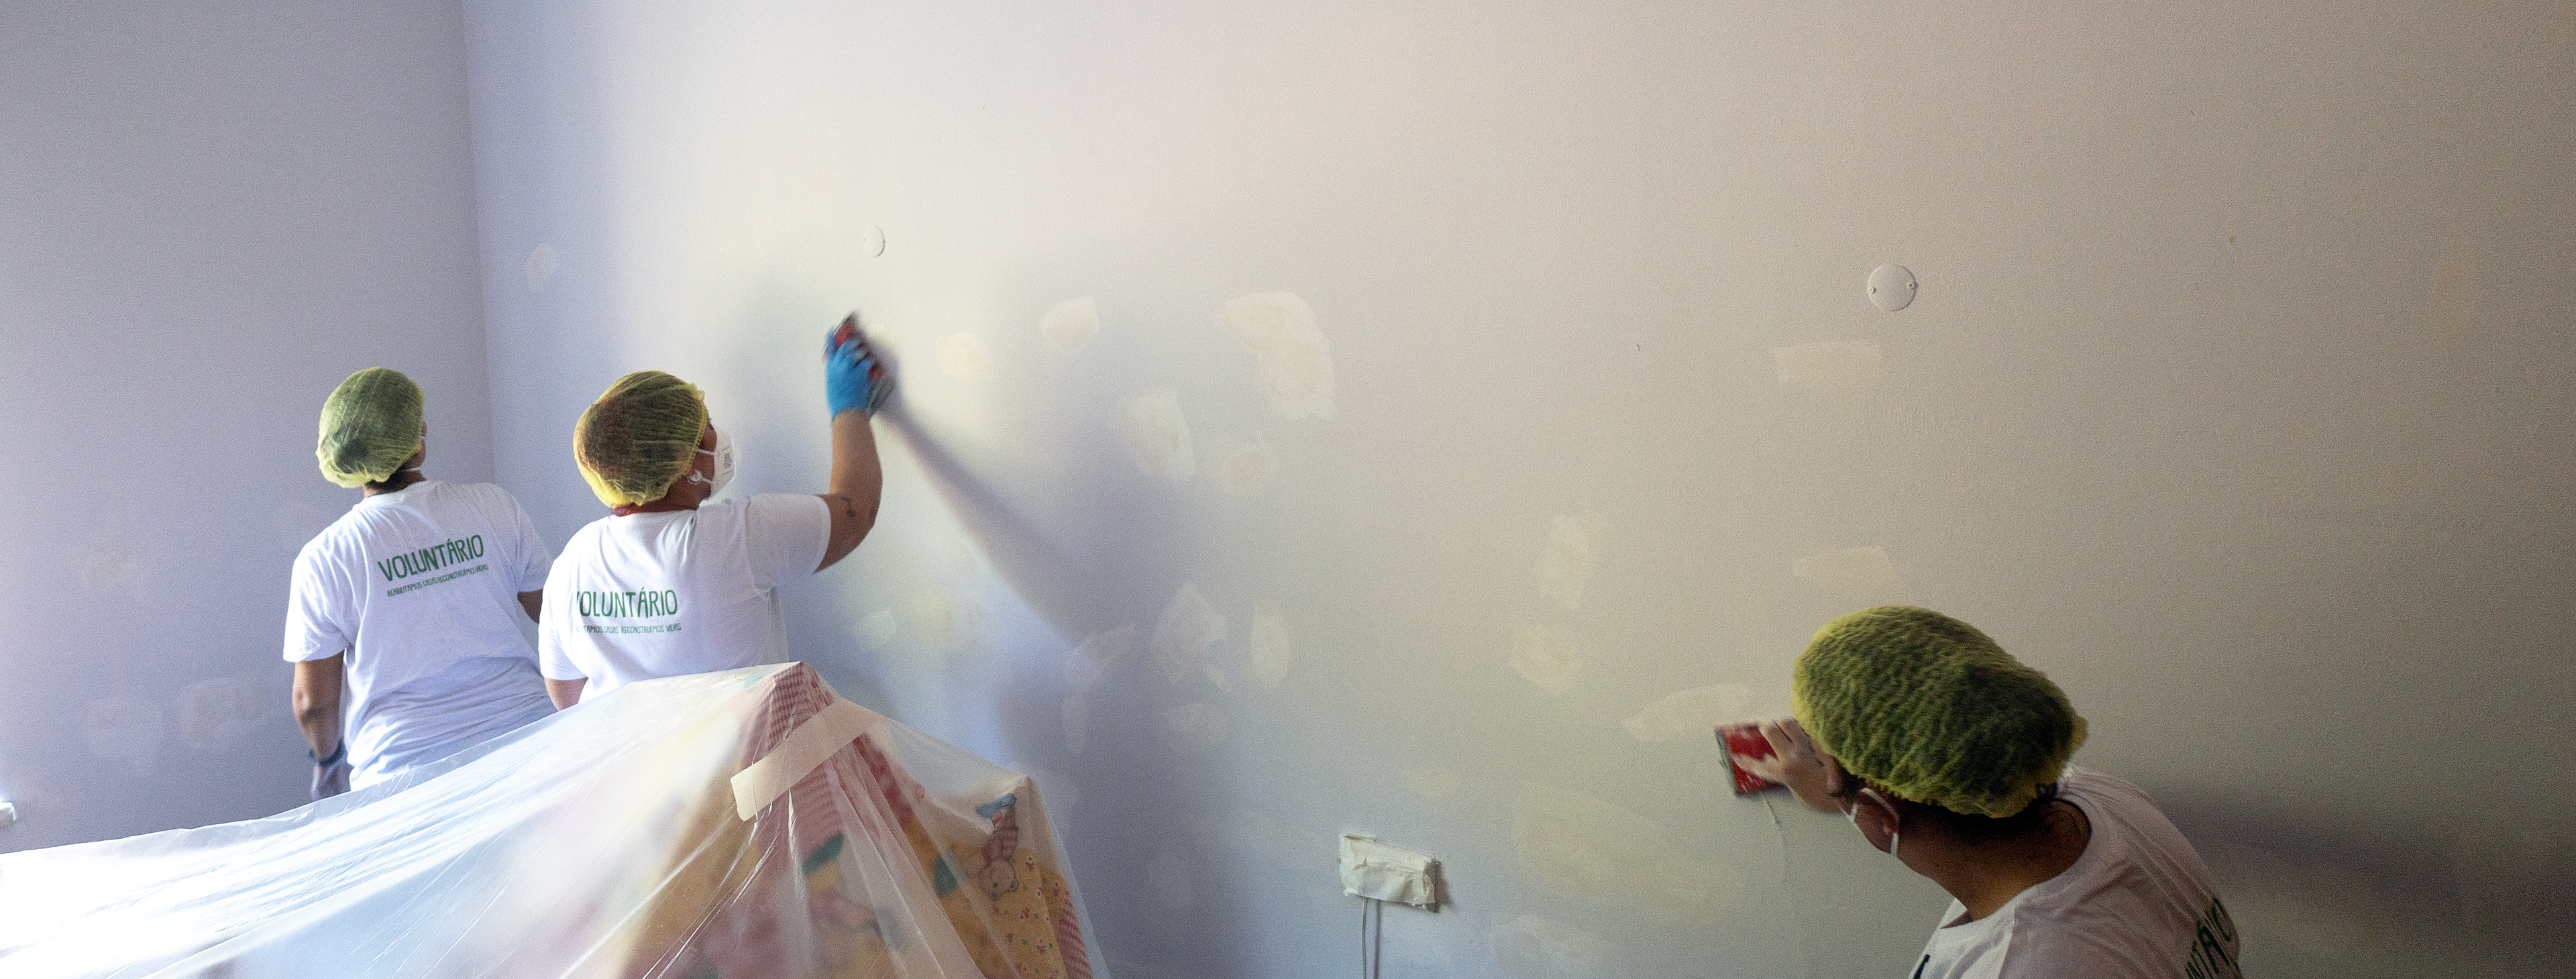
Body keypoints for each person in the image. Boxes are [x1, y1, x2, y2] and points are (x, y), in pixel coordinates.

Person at [1746, 606, 2243, 979]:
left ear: (1881, 812)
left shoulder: (2019, 967)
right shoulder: (2106, 800)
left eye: (1830, 771)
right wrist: (1843, 791)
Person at [538, 316, 891, 706]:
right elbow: (856, 510)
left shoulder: (570, 565)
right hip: (748, 747)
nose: (716, 436)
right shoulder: (734, 538)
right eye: (705, 426)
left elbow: (568, 700)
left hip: (628, 751)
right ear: (681, 459)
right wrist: (849, 407)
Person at [286, 368, 558, 799]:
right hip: (531, 745)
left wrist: (327, 760)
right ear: (419, 436)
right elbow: (559, 615)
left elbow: (313, 703)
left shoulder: (325, 558)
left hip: (404, 778)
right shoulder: (493, 505)